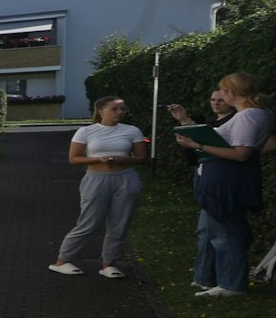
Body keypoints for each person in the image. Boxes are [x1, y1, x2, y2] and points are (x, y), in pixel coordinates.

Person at [170, 72, 272, 297]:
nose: (222, 96)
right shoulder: (258, 113)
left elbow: (241, 153)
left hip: (226, 179)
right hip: (225, 176)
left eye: (224, 91)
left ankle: (231, 284)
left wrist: (197, 145)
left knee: (226, 233)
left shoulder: (247, 117)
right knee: (211, 230)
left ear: (232, 92)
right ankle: (206, 277)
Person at [50, 96, 149, 278]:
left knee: (120, 224)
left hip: (126, 178)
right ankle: (62, 261)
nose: (120, 112)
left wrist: (124, 159)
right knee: (89, 222)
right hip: (96, 178)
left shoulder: (132, 131)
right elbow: (74, 159)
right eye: (114, 109)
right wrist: (98, 159)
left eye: (122, 109)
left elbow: (142, 157)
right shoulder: (86, 131)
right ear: (101, 110)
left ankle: (108, 264)